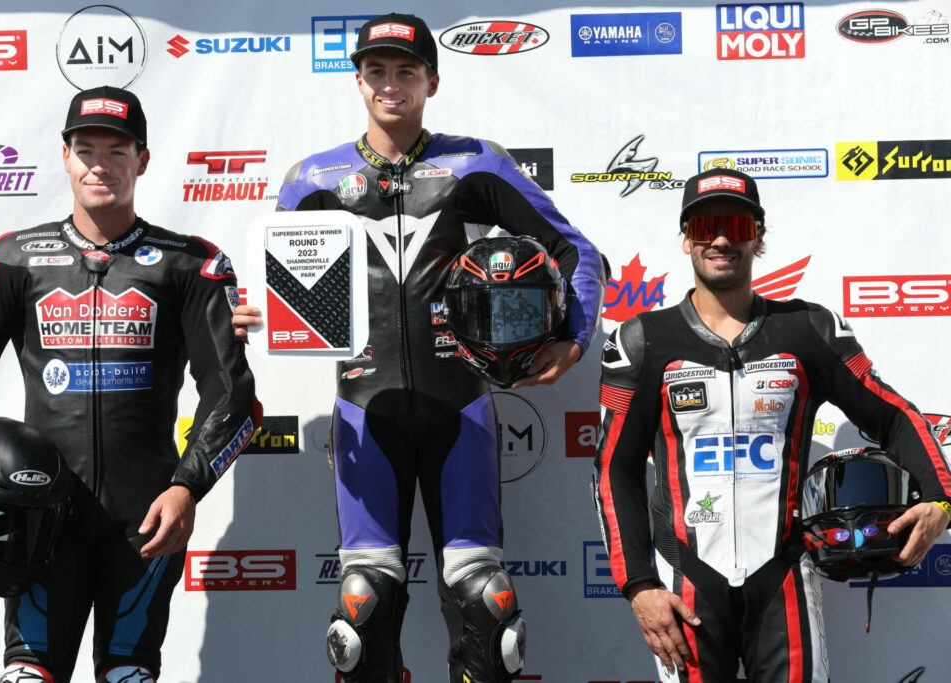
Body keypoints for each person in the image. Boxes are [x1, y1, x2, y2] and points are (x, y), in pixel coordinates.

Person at [232, 13, 602, 682]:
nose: (390, 84)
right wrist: (252, 310)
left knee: (487, 604)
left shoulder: (475, 161)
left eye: (406, 71)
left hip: (460, 406)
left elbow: (576, 250)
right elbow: (268, 284)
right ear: (358, 80)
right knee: (362, 607)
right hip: (362, 411)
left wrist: (572, 338)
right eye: (377, 70)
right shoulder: (314, 176)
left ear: (433, 80)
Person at [0, 86, 261, 683]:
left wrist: (188, 487)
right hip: (32, 514)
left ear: (143, 159)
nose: (99, 164)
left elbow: (231, 393)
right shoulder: (12, 260)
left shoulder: (191, 264)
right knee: (28, 674)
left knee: (128, 674)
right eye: (86, 149)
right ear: (64, 156)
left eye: (116, 150)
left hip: (147, 516)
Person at [593, 167, 951, 683]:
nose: (720, 239)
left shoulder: (808, 328)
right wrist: (638, 585)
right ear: (686, 239)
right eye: (705, 226)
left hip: (783, 575)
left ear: (758, 237)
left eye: (736, 227)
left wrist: (940, 498)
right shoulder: (643, 340)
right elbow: (614, 469)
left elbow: (892, 415)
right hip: (686, 582)